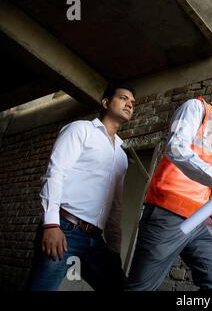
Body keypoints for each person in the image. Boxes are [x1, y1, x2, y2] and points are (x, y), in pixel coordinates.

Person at [126, 70, 212, 291]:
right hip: (169, 211)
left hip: (205, 221)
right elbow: (176, 147)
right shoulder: (197, 108)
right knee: (141, 288)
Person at [28, 84, 136, 291]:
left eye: (132, 103)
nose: (129, 105)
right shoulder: (81, 129)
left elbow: (116, 205)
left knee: (119, 286)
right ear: (105, 103)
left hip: (96, 240)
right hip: (65, 228)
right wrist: (51, 225)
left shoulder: (121, 155)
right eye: (123, 99)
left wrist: (114, 250)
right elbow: (55, 173)